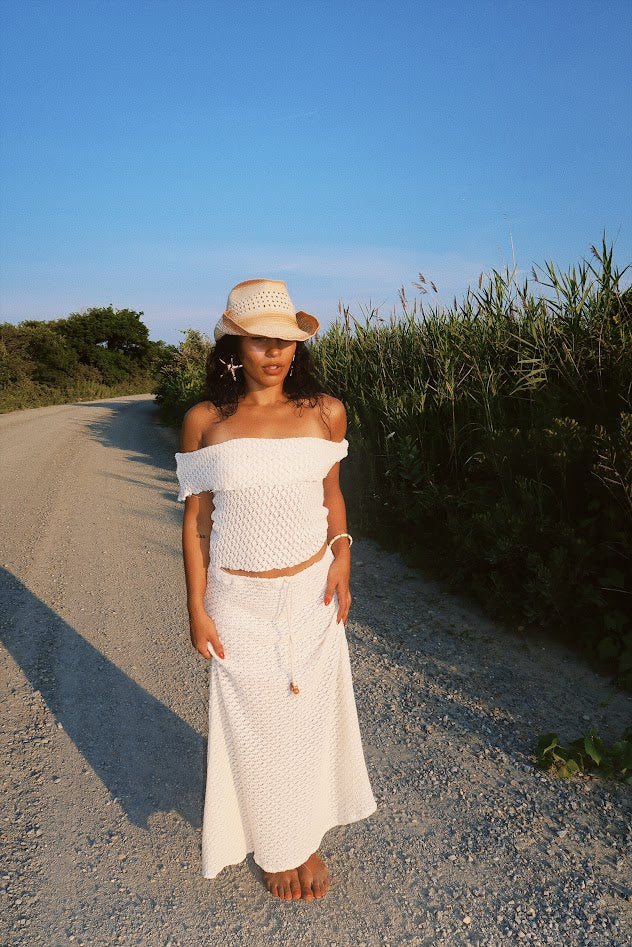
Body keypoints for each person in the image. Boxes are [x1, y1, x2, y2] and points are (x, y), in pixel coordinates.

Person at [175, 279, 376, 901]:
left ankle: (303, 837)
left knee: (309, 720)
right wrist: (197, 607)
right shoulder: (206, 421)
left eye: (285, 342)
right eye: (261, 340)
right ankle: (276, 846)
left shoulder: (326, 412)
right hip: (238, 601)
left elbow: (332, 494)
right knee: (257, 728)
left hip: (312, 593)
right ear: (235, 347)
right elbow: (197, 522)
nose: (275, 353)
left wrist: (343, 557)